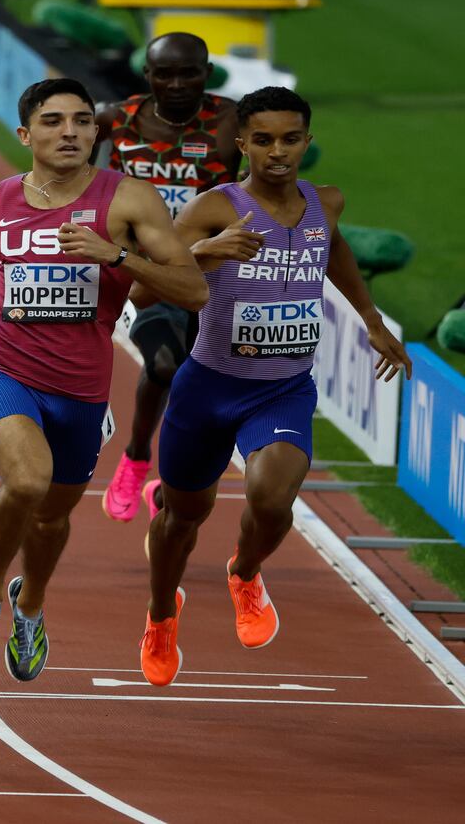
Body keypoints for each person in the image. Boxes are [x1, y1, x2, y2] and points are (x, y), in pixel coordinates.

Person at [137, 87, 410, 687]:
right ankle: (162, 613)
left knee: (271, 498)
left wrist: (371, 320)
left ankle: (245, 571)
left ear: (308, 143)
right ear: (243, 145)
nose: (278, 151)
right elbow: (147, 287)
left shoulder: (326, 203)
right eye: (263, 140)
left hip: (283, 387)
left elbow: (333, 251)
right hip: (207, 386)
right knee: (183, 519)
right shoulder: (214, 206)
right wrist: (207, 251)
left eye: (291, 139)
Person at [0, 79, 206, 683]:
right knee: (26, 480)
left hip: (83, 386)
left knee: (53, 518)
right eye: (54, 122)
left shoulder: (129, 201)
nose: (71, 133)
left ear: (96, 131)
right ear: (25, 135)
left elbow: (193, 290)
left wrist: (113, 256)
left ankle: (27, 603)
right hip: (1, 366)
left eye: (83, 121)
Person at [93, 32, 241, 523]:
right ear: (148, 75)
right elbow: (63, 168)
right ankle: (136, 457)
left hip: (216, 274)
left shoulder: (231, 123)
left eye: (189, 73)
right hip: (146, 272)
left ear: (206, 73)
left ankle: (175, 481)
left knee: (209, 389)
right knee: (161, 364)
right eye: (165, 74)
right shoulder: (114, 118)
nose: (177, 84)